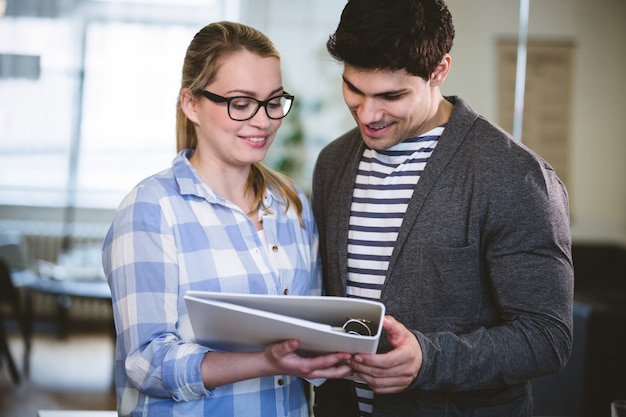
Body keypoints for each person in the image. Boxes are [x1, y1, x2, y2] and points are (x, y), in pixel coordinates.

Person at [310, 1, 574, 416]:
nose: (368, 113)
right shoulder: (333, 163)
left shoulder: (515, 175)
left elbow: (546, 337)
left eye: (391, 95)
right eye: (354, 89)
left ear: (439, 70)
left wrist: (427, 360)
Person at [102, 21, 352, 417]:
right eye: (241, 102)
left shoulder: (292, 206)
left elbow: (312, 329)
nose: (264, 120)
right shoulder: (151, 209)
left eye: (274, 101)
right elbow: (146, 362)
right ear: (192, 104)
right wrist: (266, 361)